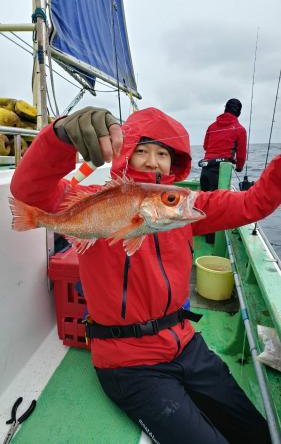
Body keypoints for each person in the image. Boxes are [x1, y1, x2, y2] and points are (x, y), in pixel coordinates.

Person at [10, 106, 281, 444]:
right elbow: (30, 192)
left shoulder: (184, 207)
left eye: (163, 153)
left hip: (185, 344)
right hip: (127, 362)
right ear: (124, 153)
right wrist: (61, 136)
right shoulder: (97, 200)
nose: (153, 161)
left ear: (175, 162)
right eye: (141, 150)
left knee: (257, 430)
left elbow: (251, 203)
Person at [199, 98, 247, 243]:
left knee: (203, 202)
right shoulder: (240, 129)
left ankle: (201, 230)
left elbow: (205, 146)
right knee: (215, 205)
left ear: (225, 109)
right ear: (239, 112)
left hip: (205, 168)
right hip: (220, 171)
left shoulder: (212, 126)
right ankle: (212, 239)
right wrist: (239, 167)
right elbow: (241, 153)